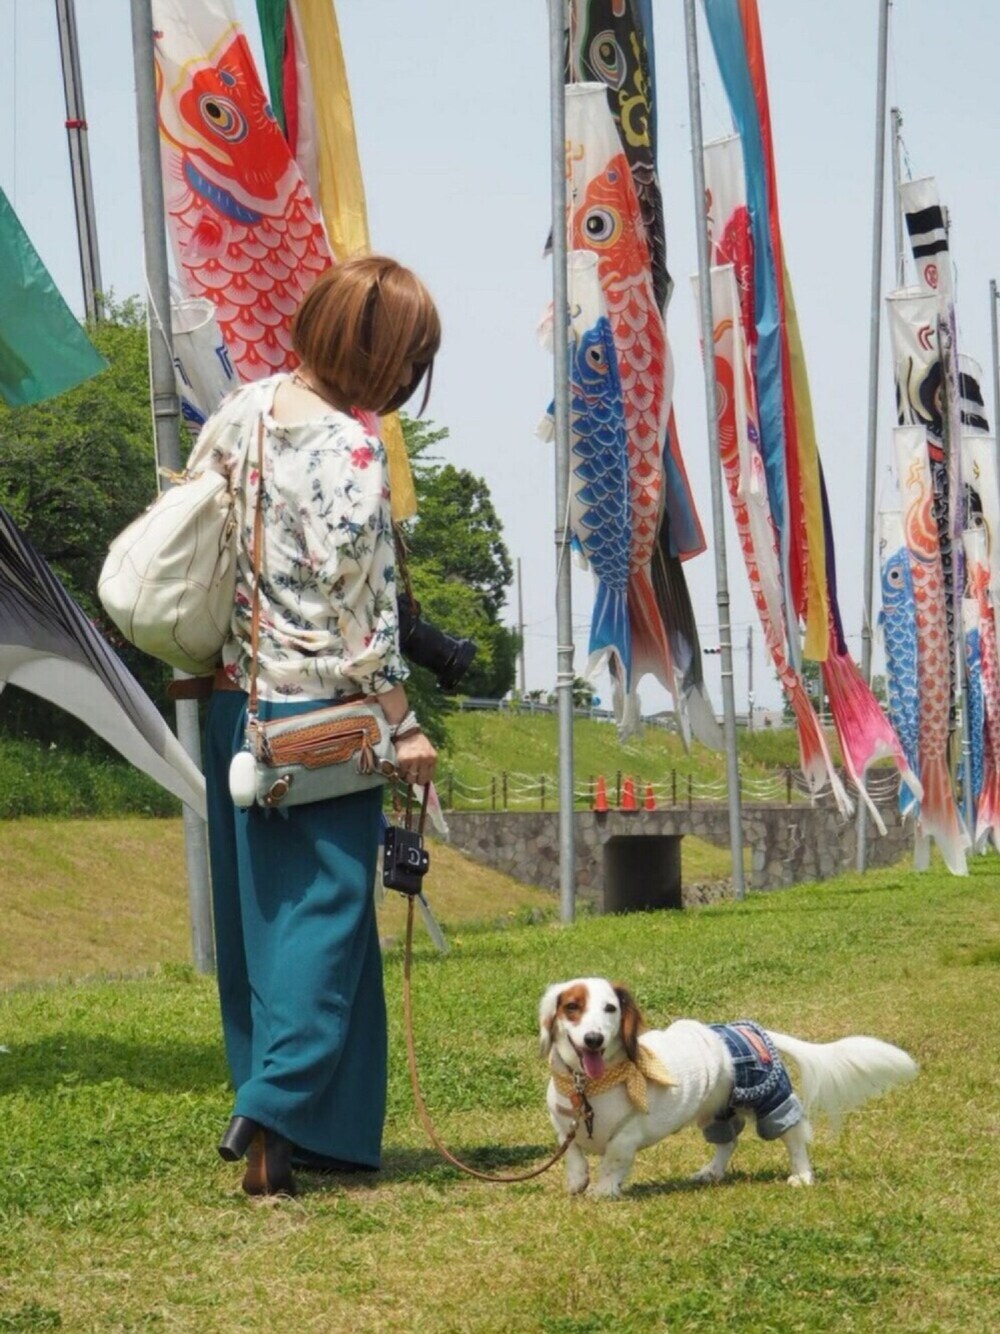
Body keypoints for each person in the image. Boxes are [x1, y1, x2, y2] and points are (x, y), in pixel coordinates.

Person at [185, 255, 440, 1197]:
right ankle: (273, 1107)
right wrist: (403, 725)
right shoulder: (352, 450)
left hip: (235, 706)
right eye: (409, 358)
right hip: (322, 719)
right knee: (329, 920)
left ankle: (321, 1134)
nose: (409, 376)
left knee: (265, 926)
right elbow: (363, 618)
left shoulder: (240, 412)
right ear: (379, 355)